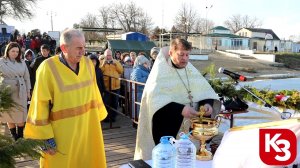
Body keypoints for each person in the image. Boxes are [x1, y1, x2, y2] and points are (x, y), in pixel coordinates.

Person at [24, 28, 107, 168]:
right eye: (78, 48)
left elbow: (94, 95)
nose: (83, 51)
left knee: (89, 162)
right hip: (62, 135)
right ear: (64, 48)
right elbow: (40, 104)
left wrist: (97, 120)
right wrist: (45, 137)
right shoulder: (47, 68)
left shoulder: (88, 64)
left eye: (84, 47)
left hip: (88, 129)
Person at [134, 38, 221, 160]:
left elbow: (203, 91)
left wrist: (207, 104)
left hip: (192, 130)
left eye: (187, 55)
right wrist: (180, 109)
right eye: (181, 54)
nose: (185, 58)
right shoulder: (160, 72)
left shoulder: (190, 70)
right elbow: (154, 103)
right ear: (171, 53)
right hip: (170, 128)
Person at [0, 42, 31, 141]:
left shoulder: (22, 62)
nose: (15, 53)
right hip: (7, 90)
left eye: (17, 51)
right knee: (9, 114)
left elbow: (27, 77)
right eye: (13, 51)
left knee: (21, 114)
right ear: (7, 51)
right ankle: (14, 137)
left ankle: (21, 136)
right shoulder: (1, 61)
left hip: (20, 90)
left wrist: (28, 91)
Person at [100, 49, 123, 122]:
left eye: (109, 55)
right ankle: (106, 118)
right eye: (107, 55)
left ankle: (113, 118)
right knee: (106, 103)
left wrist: (115, 64)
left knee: (115, 103)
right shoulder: (101, 62)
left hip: (116, 86)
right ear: (105, 55)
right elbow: (100, 71)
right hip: (106, 86)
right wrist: (103, 64)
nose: (108, 57)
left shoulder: (116, 62)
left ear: (112, 55)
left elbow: (121, 71)